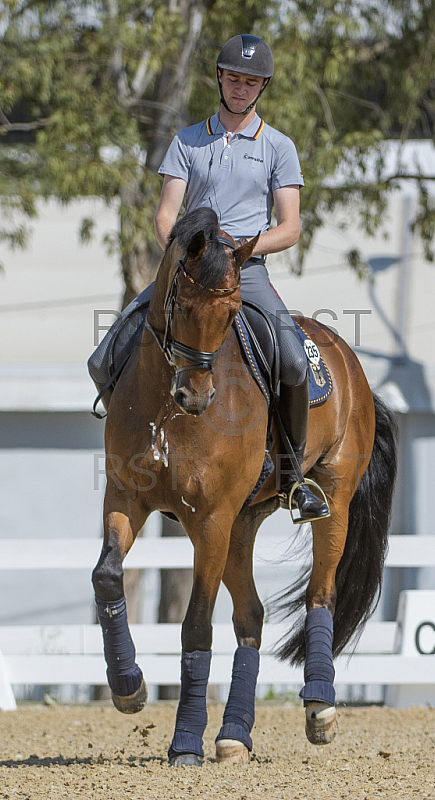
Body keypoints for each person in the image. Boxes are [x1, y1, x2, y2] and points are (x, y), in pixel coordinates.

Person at [156, 34, 329, 521]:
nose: (240, 88)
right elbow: (167, 214)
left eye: (250, 81)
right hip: (189, 271)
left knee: (293, 359)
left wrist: (237, 248)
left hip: (244, 271)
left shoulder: (279, 147)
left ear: (262, 87)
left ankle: (295, 479)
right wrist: (188, 252)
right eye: (234, 78)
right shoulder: (187, 140)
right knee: (119, 338)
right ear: (219, 78)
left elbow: (290, 227)